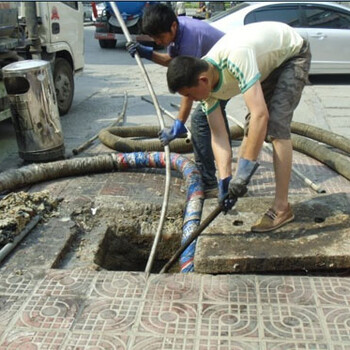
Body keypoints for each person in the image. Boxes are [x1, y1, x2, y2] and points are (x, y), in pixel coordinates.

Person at [165, 21, 311, 232]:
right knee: (252, 127)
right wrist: (225, 179)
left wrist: (244, 170)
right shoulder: (207, 89)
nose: (190, 100)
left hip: (292, 55)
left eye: (189, 94)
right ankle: (239, 183)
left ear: (203, 80)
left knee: (276, 127)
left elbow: (261, 114)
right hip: (267, 63)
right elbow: (219, 135)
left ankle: (282, 208)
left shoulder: (235, 58)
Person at [126, 3, 229, 198]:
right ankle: (224, 173)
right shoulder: (176, 31)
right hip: (210, 75)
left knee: (200, 121)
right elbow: (174, 63)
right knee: (215, 123)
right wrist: (146, 52)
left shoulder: (190, 37)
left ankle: (209, 183)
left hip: (224, 76)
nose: (158, 41)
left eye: (159, 37)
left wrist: (179, 122)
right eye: (154, 38)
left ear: (173, 27)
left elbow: (188, 87)